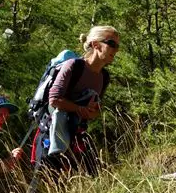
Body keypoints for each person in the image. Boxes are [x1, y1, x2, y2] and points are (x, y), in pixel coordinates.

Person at [35, 25, 119, 175]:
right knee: (48, 181)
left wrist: (92, 112)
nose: (116, 49)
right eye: (112, 44)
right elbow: (54, 99)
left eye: (117, 45)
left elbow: (97, 109)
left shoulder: (104, 76)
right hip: (53, 132)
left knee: (93, 175)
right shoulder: (74, 66)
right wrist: (79, 109)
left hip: (78, 133)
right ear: (96, 45)